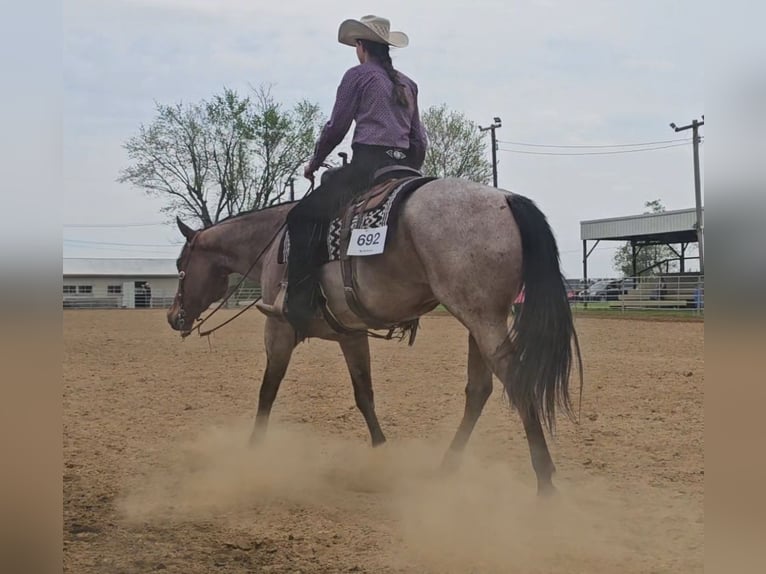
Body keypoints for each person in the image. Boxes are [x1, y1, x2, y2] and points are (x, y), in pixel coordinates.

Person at [259, 15, 428, 338]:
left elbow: (336, 127)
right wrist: (412, 172)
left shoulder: (359, 76)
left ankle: (302, 301)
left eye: (356, 45)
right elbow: (419, 140)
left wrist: (315, 162)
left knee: (302, 217)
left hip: (368, 167)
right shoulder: (409, 84)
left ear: (361, 47)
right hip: (405, 168)